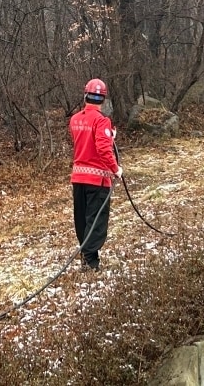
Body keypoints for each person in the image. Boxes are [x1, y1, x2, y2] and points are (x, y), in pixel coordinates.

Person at [69, 78, 121, 271]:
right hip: (97, 181)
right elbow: (102, 149)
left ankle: (87, 257)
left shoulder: (75, 120)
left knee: (82, 220)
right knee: (96, 221)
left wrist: (108, 136)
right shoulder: (102, 121)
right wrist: (116, 169)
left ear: (85, 96)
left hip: (78, 179)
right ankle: (90, 261)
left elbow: (85, 141)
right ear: (103, 99)